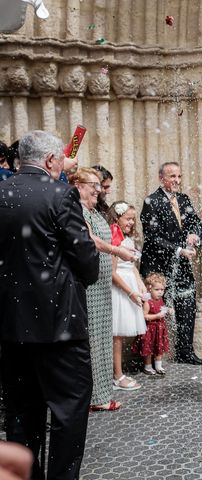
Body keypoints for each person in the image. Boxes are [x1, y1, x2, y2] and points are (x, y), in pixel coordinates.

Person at [0, 130, 99, 479]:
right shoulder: (60, 194)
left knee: (21, 415)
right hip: (60, 326)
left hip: (11, 327)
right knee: (68, 413)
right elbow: (86, 260)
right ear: (50, 160)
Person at [69, 167, 137, 412]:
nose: (99, 190)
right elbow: (90, 240)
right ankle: (92, 397)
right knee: (92, 340)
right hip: (89, 286)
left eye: (100, 185)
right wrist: (118, 251)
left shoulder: (94, 210)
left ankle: (100, 393)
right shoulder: (75, 210)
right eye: (94, 185)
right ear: (78, 185)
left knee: (101, 337)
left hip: (101, 286)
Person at [140, 162, 202, 365]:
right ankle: (149, 359)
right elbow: (152, 237)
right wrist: (178, 250)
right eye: (172, 177)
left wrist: (195, 235)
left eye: (179, 176)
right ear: (162, 178)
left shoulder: (184, 199)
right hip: (158, 266)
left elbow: (196, 223)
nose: (177, 180)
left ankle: (185, 352)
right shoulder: (152, 201)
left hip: (182, 266)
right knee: (154, 311)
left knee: (187, 305)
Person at [108, 201, 146, 391]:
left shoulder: (126, 237)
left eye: (133, 219)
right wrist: (130, 292)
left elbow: (131, 267)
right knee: (117, 336)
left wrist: (139, 284)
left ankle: (118, 372)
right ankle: (117, 375)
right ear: (117, 218)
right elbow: (113, 273)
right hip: (119, 290)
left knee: (121, 335)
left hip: (129, 285)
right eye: (128, 218)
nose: (132, 222)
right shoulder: (114, 239)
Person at [133, 273, 172, 375]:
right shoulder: (148, 302)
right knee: (148, 348)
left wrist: (168, 310)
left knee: (159, 347)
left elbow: (162, 309)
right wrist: (156, 316)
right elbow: (144, 316)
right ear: (150, 289)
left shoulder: (160, 300)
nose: (160, 292)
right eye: (157, 290)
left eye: (162, 290)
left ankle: (158, 366)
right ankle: (148, 366)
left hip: (159, 329)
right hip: (149, 330)